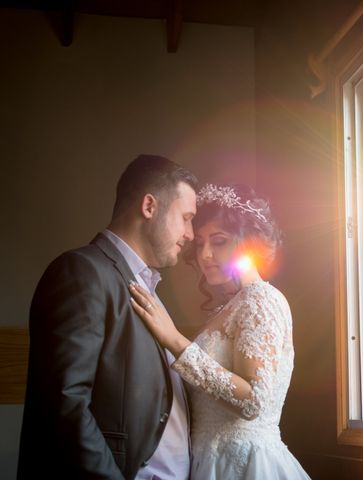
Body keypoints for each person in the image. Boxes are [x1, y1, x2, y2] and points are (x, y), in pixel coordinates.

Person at [18, 154, 197, 479]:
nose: (191, 234)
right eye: (186, 217)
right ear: (149, 206)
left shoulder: (145, 285)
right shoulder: (82, 272)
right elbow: (66, 405)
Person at [128, 183, 311, 479]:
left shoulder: (260, 300)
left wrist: (174, 340)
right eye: (199, 243)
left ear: (249, 242)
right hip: (206, 463)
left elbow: (253, 401)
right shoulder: (228, 307)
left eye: (219, 241)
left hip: (246, 466)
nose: (205, 254)